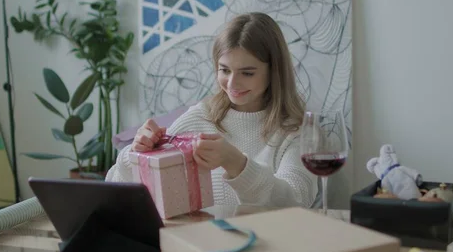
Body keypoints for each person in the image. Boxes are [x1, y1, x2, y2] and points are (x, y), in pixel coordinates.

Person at [106, 12, 318, 208]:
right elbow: (115, 188)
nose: (233, 83)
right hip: (199, 244)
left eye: (247, 73)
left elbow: (297, 201)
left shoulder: (296, 130)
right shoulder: (200, 117)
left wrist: (237, 163)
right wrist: (135, 154)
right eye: (225, 70)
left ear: (274, 72)